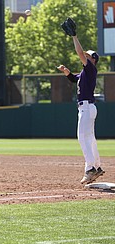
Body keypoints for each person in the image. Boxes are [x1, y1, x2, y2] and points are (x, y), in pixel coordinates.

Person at [57, 34, 105, 184]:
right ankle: (96, 167)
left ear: (93, 60)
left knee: (82, 138)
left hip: (86, 108)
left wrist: (74, 36)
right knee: (90, 139)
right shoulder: (85, 74)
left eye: (87, 56)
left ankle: (91, 168)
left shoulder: (90, 69)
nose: (84, 57)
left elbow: (79, 52)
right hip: (88, 108)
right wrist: (66, 72)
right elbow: (73, 79)